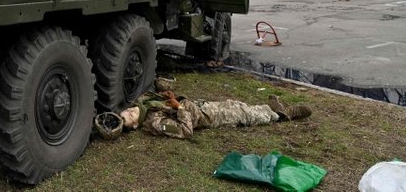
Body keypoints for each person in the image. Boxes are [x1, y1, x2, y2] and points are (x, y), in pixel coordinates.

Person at [120, 90, 312, 140]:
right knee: (242, 114)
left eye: (126, 110)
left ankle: (270, 108)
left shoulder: (145, 105)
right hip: (208, 116)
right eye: (129, 116)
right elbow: (185, 131)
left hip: (203, 105)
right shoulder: (155, 123)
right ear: (135, 125)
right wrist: (180, 108)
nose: (129, 110)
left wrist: (168, 95)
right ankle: (282, 115)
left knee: (236, 105)